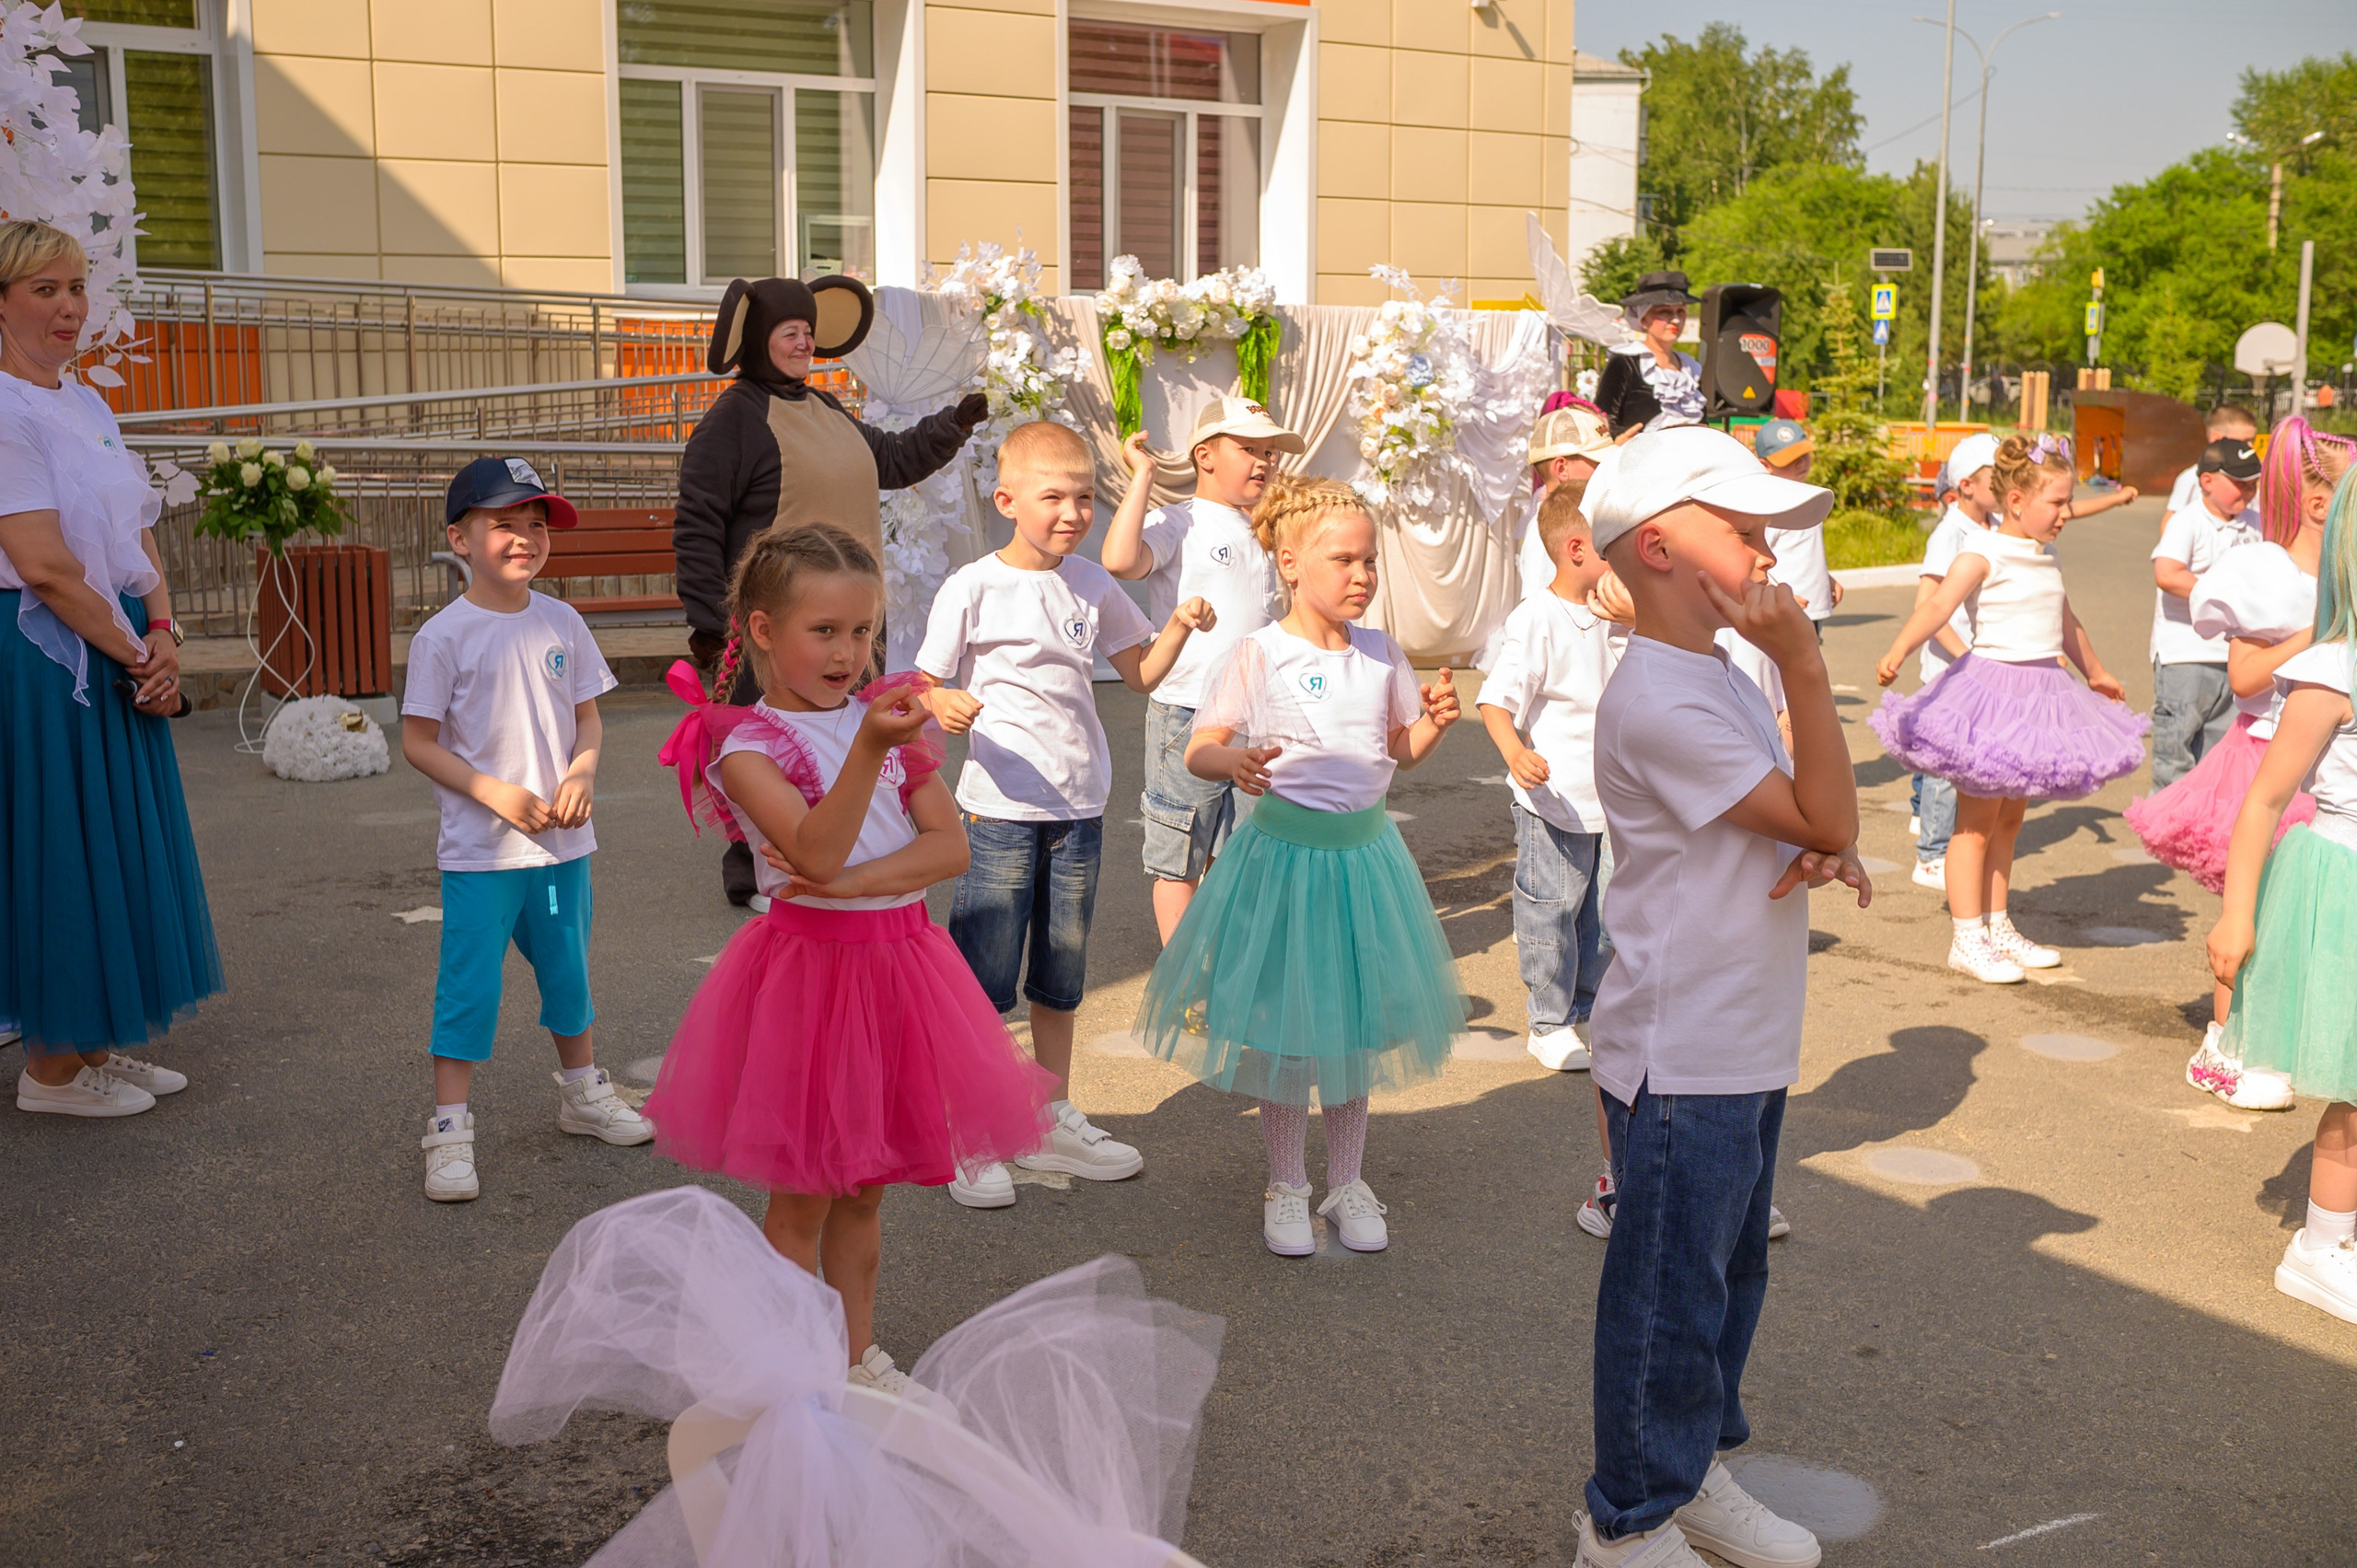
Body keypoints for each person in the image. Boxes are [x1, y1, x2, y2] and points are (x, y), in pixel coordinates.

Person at [644, 523, 1057, 1393]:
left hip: (900, 962)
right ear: (763, 631)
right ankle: (787, 1368)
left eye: (864, 631)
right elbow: (815, 850)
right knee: (805, 1192)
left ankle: (854, 1356)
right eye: (824, 631)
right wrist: (868, 759)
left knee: (866, 1187)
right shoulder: (748, 745)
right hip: (810, 977)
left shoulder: (891, 725)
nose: (849, 653)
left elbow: (949, 849)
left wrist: (859, 876)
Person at [1573, 424, 1867, 1568]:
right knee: (1667, 1289)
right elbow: (1824, 810)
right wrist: (1806, 666)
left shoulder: (1716, 670)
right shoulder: (1660, 694)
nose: (1766, 553)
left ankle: (1687, 1469)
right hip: (1683, 1043)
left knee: (1727, 1273)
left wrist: (1815, 841)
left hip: (1739, 1031)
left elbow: (1804, 810)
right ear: (1656, 548)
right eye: (1741, 531)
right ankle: (1626, 1515)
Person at [1134, 477, 1464, 1259]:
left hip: (1364, 864)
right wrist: (1233, 760)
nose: (1361, 574)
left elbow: (1400, 751)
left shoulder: (1384, 653)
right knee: (1285, 1034)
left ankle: (1347, 1182)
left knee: (1350, 1030)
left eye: (1369, 560)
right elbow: (1198, 744)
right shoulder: (1261, 652)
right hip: (1282, 865)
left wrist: (1436, 728)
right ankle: (1287, 1184)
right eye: (1342, 559)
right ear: (1289, 562)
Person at [913, 422, 1213, 1209]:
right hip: (999, 811)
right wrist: (940, 698)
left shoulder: (1091, 584)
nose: (1073, 512)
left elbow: (1141, 674)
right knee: (984, 977)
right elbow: (922, 679)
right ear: (1008, 500)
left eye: (1084, 496)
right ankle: (970, 1129)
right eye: (1054, 497)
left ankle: (1047, 1115)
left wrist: (1177, 626)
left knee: (1061, 970)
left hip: (1080, 808)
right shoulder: (973, 585)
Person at [674, 273, 987, 907]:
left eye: (809, 334)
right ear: (758, 339)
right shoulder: (733, 419)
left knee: (842, 735)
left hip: (848, 611)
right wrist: (712, 617)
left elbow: (891, 460)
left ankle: (855, 848)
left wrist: (950, 426)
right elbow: (698, 518)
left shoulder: (824, 407)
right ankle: (761, 872)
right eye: (790, 333)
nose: (803, 344)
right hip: (778, 623)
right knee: (773, 746)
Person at [0, 217, 219, 1116]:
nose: (68, 306)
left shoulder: (84, 401)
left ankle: (92, 1040)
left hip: (118, 638)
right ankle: (51, 1067)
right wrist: (138, 656)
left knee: (113, 840)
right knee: (63, 843)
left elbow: (134, 532)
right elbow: (44, 564)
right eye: (45, 289)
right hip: (50, 654)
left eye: (77, 286)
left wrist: (162, 630)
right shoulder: (5, 410)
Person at [401, 459, 649, 1201]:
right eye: (505, 523)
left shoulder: (562, 620)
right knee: (468, 988)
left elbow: (588, 718)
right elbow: (417, 740)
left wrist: (582, 773)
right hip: (482, 853)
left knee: (568, 973)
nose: (525, 538)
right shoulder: (442, 636)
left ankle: (582, 1091)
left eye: (536, 524)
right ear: (460, 537)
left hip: (562, 847)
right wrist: (494, 794)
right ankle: (449, 1128)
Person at [1871, 435, 2148, 984]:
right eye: (2058, 503)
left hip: (2043, 695)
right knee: (1974, 825)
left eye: (2068, 502)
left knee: (2011, 819)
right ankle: (1966, 935)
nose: (2066, 514)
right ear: (2017, 501)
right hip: (1993, 694)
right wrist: (1899, 649)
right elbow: (1939, 605)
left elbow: (2066, 621)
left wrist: (2095, 670)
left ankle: (1998, 923)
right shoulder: (1982, 552)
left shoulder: (2047, 556)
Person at [2147, 419, 2352, 1108]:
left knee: (2302, 915)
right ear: (2324, 503)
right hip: (2268, 748)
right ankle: (2227, 1040)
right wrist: (2318, 633)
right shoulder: (2267, 572)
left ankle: (2286, 1038)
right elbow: (2244, 677)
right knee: (2254, 904)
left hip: (2326, 767)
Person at [2207, 466, 2357, 1327]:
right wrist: (2237, 914)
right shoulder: (2331, 669)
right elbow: (2263, 801)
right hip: (2340, 882)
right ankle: (2319, 1242)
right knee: (2353, 1082)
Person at [1100, 396, 1304, 945]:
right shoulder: (1179, 521)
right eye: (1249, 449)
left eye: (1270, 452)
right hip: (1186, 714)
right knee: (1180, 855)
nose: (1263, 461)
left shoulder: (1269, 532)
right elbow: (1120, 560)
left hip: (1257, 720)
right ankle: (1183, 983)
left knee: (1241, 856)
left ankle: (1224, 967)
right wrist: (1144, 474)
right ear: (1205, 456)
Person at [1481, 484, 1621, 1073]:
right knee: (1552, 907)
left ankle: (1589, 1007)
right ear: (1577, 550)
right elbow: (1496, 699)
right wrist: (1516, 754)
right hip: (1553, 796)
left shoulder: (1623, 614)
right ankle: (1548, 1020)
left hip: (1615, 796)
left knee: (1610, 913)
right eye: (1615, 547)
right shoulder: (1537, 617)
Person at [1906, 432, 2002, 893]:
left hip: (1976, 670)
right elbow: (1929, 605)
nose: (2006, 485)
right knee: (1947, 767)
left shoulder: (1993, 526)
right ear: (1966, 485)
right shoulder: (1951, 533)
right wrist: (1969, 658)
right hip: (1952, 670)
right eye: (1997, 478)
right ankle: (1931, 854)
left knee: (1958, 764)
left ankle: (1940, 837)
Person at [2145, 436, 2263, 787]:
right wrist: (2227, 596)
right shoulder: (2188, 521)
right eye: (2239, 483)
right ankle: (2166, 837)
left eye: (2253, 483)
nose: (2248, 491)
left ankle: (2205, 837)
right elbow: (2168, 574)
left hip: (2236, 658)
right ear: (2207, 481)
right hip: (2186, 655)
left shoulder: (2256, 522)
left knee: (2220, 760)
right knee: (2175, 758)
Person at [1515, 399, 1615, 601]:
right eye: (1598, 462)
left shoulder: (1587, 517)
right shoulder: (1543, 532)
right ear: (1561, 469)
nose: (1607, 470)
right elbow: (1536, 602)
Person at [1753, 418, 1842, 638]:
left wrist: (1825, 577)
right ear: (1766, 465)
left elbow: (1803, 549)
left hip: (1810, 606)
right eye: (1790, 460)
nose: (1801, 463)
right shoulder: (1769, 505)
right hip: (1787, 607)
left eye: (1804, 455)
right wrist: (1775, 595)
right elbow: (1754, 558)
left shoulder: (1805, 495)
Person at [1593, 272, 1705, 442]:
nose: (1675, 320)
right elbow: (1601, 418)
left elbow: (1703, 422)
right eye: (1665, 311)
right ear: (1643, 319)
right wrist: (1618, 441)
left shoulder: (1690, 369)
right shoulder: (1625, 362)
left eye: (1680, 311)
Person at [2161, 404, 2261, 531]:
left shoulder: (2250, 474)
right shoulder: (2191, 477)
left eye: (2252, 440)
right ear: (2216, 439)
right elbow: (2171, 519)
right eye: (2243, 441)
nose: (2250, 446)